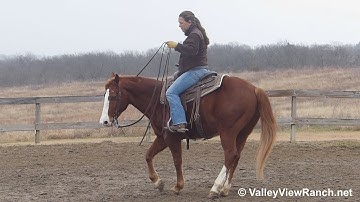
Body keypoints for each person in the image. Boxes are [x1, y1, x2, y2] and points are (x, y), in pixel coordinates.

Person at [165, 11, 210, 133]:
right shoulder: (196, 33)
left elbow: (192, 51)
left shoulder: (194, 35)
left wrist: (176, 46)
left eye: (181, 23)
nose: (179, 26)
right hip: (199, 69)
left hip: (196, 71)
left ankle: (180, 123)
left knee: (171, 92)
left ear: (189, 22)